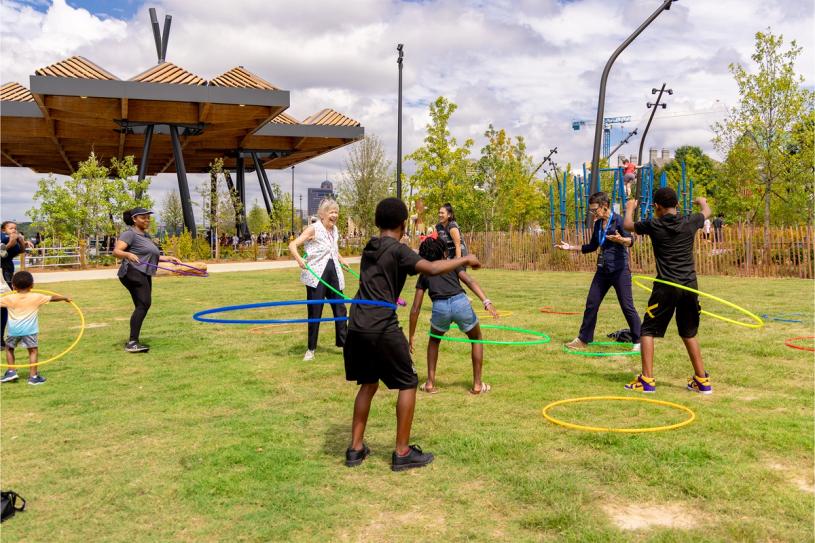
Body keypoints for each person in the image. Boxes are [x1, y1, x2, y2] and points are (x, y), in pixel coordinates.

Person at [343, 198, 480, 471]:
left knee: (368, 383)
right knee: (408, 382)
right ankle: (402, 453)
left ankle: (355, 449)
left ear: (377, 223)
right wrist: (464, 258)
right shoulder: (397, 249)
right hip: (381, 324)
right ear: (403, 225)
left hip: (356, 322)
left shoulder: (370, 247)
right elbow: (430, 268)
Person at [622, 188, 712, 394]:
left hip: (665, 287)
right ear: (677, 205)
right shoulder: (690, 221)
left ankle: (646, 380)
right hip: (689, 286)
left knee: (647, 330)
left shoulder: (654, 224)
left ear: (656, 207)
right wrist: (702, 201)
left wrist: (629, 208)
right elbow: (707, 211)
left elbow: (627, 225)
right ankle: (702, 380)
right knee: (689, 332)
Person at [408, 232, 498, 395]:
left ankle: (430, 383)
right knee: (476, 338)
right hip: (460, 303)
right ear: (444, 253)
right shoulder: (452, 265)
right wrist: (486, 301)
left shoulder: (425, 274)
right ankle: (477, 386)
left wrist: (411, 335)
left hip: (439, 307)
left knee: (434, 341)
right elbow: (470, 281)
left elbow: (415, 308)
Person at [558, 192, 641, 351]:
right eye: (591, 210)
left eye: (595, 210)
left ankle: (638, 341)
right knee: (591, 303)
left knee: (627, 306)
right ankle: (583, 339)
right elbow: (592, 247)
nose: (593, 213)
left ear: (605, 207)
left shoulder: (619, 221)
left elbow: (631, 241)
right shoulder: (597, 225)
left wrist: (621, 240)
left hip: (619, 270)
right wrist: (570, 247)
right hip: (602, 271)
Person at [288, 199, 350, 361]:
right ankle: (311, 349)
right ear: (322, 215)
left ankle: (345, 346)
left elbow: (332, 250)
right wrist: (299, 260)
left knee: (340, 310)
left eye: (336, 212)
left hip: (334, 273)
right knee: (315, 312)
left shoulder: (334, 230)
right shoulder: (313, 228)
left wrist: (342, 260)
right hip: (317, 275)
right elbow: (293, 245)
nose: (334, 215)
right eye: (331, 212)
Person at [112, 208, 180, 353]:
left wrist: (167, 258)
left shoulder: (145, 235)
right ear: (134, 219)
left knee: (142, 306)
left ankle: (133, 341)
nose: (147, 220)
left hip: (142, 271)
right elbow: (116, 252)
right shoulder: (130, 233)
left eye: (148, 218)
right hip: (133, 271)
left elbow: (148, 255)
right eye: (143, 218)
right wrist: (127, 254)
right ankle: (132, 342)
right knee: (144, 303)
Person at [0, 271, 71, 385]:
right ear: (32, 285)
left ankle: (11, 371)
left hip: (14, 331)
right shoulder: (36, 296)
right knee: (33, 351)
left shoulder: (9, 298)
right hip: (30, 331)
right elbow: (52, 298)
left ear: (13, 286)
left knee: (9, 349)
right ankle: (33, 376)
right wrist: (64, 298)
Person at [1, 221, 33, 349]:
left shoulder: (10, 239)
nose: (14, 230)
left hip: (7, 275)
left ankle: (6, 340)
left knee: (6, 307)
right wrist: (16, 238)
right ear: (3, 229)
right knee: (6, 305)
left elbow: (21, 250)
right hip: (2, 275)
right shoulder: (2, 237)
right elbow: (5, 247)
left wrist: (21, 240)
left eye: (15, 228)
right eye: (11, 228)